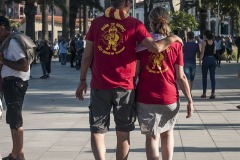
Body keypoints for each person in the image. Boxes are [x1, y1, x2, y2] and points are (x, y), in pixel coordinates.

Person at [75, 0, 182, 159]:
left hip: (100, 85)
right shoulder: (135, 24)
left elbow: (86, 57)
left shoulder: (97, 23)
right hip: (125, 87)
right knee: (123, 133)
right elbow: (155, 48)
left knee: (97, 131)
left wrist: (82, 80)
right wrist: (173, 38)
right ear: (127, 3)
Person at [135, 6, 194, 160]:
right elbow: (181, 77)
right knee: (168, 133)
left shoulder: (142, 46)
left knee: (152, 137)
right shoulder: (176, 44)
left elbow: (135, 73)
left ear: (150, 22)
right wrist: (190, 100)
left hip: (146, 97)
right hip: (169, 98)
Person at [0, 16, 30, 160]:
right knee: (12, 120)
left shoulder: (12, 42)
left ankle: (19, 155)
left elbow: (24, 66)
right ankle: (15, 153)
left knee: (16, 121)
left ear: (1, 28)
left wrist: (3, 61)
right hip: (12, 83)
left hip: (15, 83)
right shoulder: (7, 42)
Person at [199, 30, 216, 99]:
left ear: (205, 35)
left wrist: (200, 60)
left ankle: (204, 93)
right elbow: (214, 52)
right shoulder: (213, 42)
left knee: (204, 77)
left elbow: (202, 52)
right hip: (212, 59)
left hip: (206, 59)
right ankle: (213, 93)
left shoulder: (204, 42)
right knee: (212, 77)